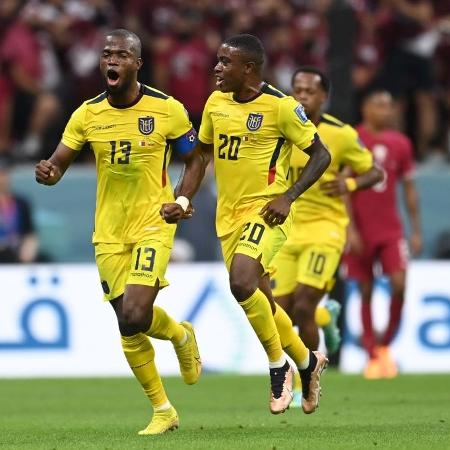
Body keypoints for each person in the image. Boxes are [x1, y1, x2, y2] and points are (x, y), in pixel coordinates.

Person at [35, 29, 201, 435]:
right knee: (128, 324)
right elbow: (58, 164)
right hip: (108, 231)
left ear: (137, 64)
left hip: (153, 222)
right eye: (107, 54)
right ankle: (164, 408)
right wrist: (48, 173)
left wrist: (179, 201)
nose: (112, 60)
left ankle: (180, 338)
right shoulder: (86, 114)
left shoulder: (168, 109)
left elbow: (196, 161)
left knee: (136, 311)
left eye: (121, 55)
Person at [161, 34, 331, 415]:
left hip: (267, 211)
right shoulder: (215, 102)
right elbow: (201, 155)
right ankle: (307, 362)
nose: (217, 68)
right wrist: (183, 197)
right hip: (229, 216)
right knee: (263, 301)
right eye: (217, 61)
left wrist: (289, 196)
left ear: (248, 68)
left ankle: (278, 366)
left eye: (225, 62)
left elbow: (321, 154)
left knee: (241, 282)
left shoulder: (281, 107)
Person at [269, 67, 383, 404]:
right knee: (281, 312)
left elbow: (375, 171)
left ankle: (309, 376)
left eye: (309, 90)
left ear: (323, 97)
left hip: (325, 229)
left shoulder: (342, 134)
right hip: (286, 229)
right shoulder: (281, 127)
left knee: (303, 303)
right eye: (297, 89)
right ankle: (323, 318)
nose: (301, 95)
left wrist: (349, 183)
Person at [345, 89, 422, 379]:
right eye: (379, 104)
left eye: (389, 105)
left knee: (400, 284)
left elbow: (410, 189)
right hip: (361, 228)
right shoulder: (351, 138)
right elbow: (343, 187)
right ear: (365, 108)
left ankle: (385, 344)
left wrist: (415, 229)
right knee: (364, 289)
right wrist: (350, 227)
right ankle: (372, 354)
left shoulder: (401, 143)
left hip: (391, 228)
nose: (386, 110)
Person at [0, 156, 38, 263]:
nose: (1, 179)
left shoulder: (21, 203)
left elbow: (30, 232)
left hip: (17, 255)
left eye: (4, 174)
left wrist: (29, 247)